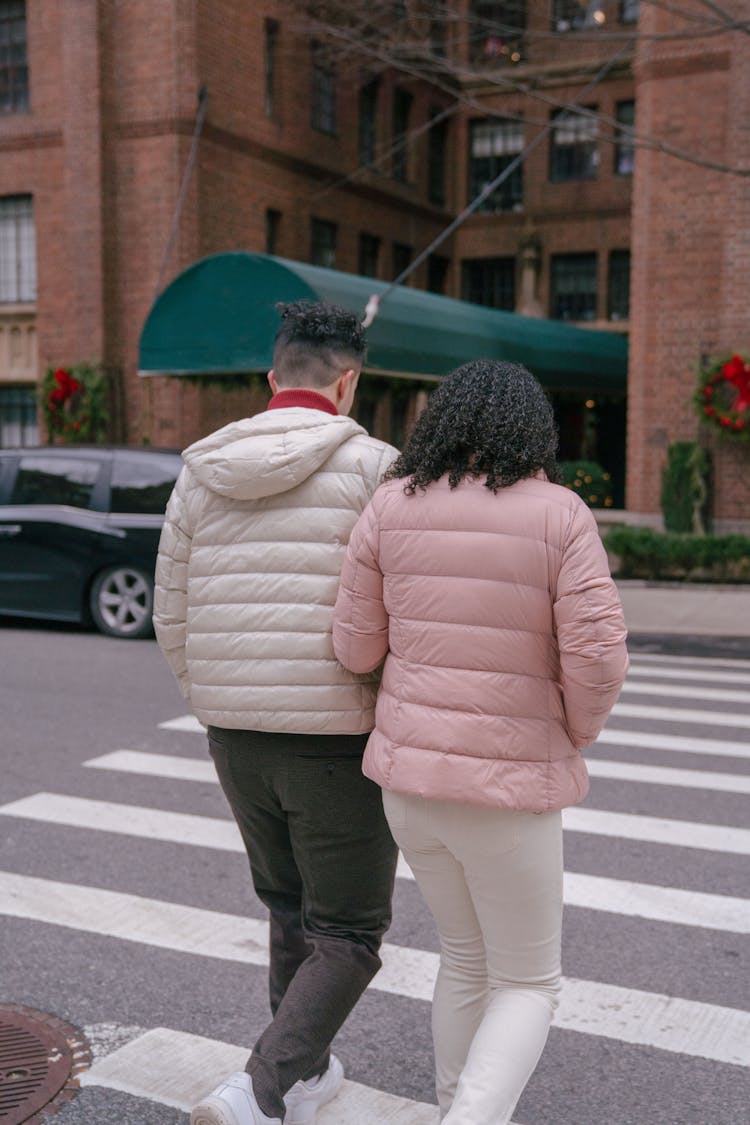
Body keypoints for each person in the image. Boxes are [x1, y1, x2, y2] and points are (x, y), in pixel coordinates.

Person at [332, 359, 629, 1125]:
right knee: (529, 981)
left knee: (464, 956)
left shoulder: (390, 505)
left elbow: (356, 648)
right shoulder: (561, 515)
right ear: (533, 428)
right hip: (510, 789)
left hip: (409, 783)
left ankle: (451, 1107)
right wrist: (575, 731)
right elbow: (597, 657)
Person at [153, 300, 400, 1125]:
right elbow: (401, 606)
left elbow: (170, 609)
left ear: (272, 379)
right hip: (335, 737)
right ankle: (258, 1088)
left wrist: (215, 699)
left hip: (234, 732)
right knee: (350, 928)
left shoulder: (200, 468)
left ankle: (307, 1070)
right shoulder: (376, 468)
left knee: (290, 907)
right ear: (349, 380)